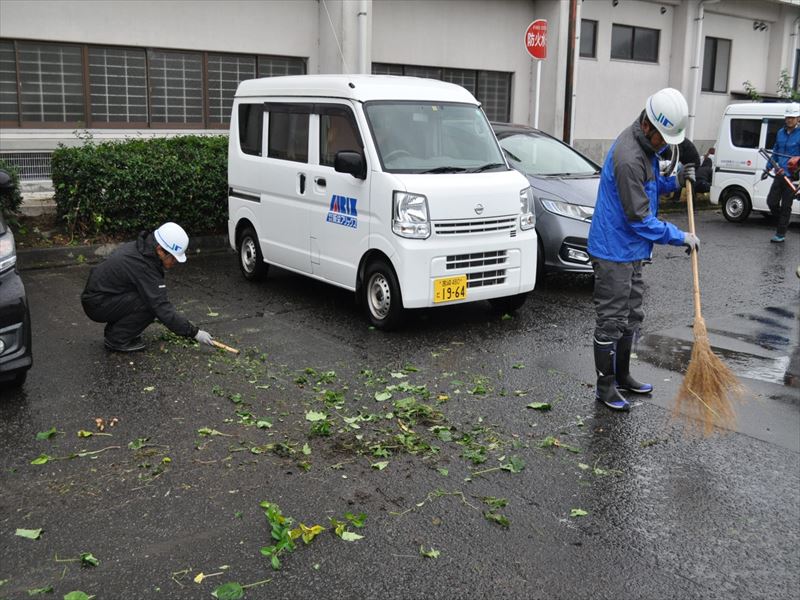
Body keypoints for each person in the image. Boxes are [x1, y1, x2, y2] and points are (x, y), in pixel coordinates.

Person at [587, 87, 700, 411]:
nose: (664, 146)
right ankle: (605, 386)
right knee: (611, 319)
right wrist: (680, 236)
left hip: (632, 249)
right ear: (648, 124)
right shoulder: (628, 156)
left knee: (632, 315)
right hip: (613, 250)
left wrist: (676, 179)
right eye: (662, 139)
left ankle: (622, 376)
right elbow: (638, 217)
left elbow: (650, 185)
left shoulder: (646, 147)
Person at [81, 222, 214, 352]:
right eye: (173, 258)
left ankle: (118, 331)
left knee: (149, 299)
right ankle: (117, 339)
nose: (174, 262)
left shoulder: (142, 250)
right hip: (97, 304)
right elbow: (161, 307)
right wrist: (194, 333)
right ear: (160, 250)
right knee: (150, 305)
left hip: (103, 297)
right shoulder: (144, 265)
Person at [766, 103, 800, 243]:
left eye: (792, 117)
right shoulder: (780, 132)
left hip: (792, 176)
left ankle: (781, 233)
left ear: (798, 118)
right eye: (787, 117)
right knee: (771, 202)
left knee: (786, 205)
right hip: (779, 174)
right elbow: (775, 151)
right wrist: (768, 166)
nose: (789, 120)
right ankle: (783, 222)